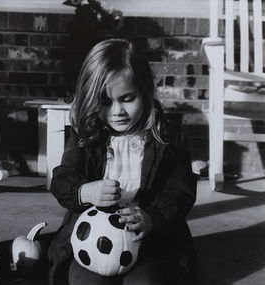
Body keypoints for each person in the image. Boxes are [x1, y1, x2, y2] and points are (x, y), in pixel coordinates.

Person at [47, 38, 198, 285]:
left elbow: (179, 192)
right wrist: (85, 191)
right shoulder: (88, 134)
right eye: (105, 102)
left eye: (127, 98)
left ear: (145, 90)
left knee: (145, 281)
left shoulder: (166, 136)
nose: (117, 111)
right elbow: (63, 179)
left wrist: (151, 218)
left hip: (148, 239)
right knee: (83, 281)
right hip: (94, 238)